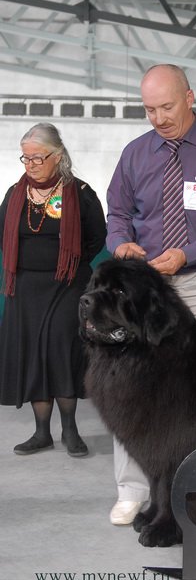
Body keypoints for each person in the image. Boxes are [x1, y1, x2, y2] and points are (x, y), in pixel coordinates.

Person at [106, 63, 196, 524]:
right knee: (129, 387)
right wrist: (121, 244)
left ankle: (191, 495)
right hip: (143, 293)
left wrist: (186, 255)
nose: (158, 117)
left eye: (166, 107)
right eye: (149, 109)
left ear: (190, 97)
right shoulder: (134, 154)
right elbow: (117, 214)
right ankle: (131, 489)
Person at [0, 123, 106, 457]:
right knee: (33, 355)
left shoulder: (81, 192)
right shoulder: (15, 194)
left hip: (67, 285)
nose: (29, 164)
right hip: (25, 289)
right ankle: (41, 432)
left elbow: (96, 236)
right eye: (25, 158)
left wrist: (70, 264)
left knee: (62, 352)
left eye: (36, 158)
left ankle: (71, 430)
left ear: (57, 156)